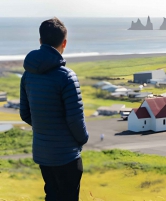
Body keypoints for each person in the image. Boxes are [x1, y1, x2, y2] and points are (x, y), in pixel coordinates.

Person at [20, 17, 89, 201]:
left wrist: (46, 128)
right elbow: (75, 120)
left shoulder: (28, 74)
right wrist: (83, 139)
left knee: (51, 196)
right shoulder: (66, 77)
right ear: (64, 43)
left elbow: (25, 113)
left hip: (43, 154)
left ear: (40, 41)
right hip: (67, 155)